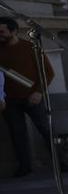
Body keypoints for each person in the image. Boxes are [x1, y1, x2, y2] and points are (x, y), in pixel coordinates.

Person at [0, 16, 56, 177]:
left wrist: (38, 91)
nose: (0, 35)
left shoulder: (31, 48)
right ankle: (24, 166)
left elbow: (48, 73)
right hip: (9, 100)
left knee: (46, 129)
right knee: (17, 134)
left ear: (14, 31)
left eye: (2, 32)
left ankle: (59, 162)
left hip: (33, 97)